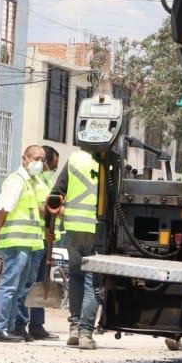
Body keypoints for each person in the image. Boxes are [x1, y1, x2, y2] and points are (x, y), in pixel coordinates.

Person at [0, 145, 47, 343]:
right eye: (35, 158)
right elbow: (2, 208)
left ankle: (11, 327)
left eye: (42, 159)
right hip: (15, 241)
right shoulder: (16, 180)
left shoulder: (31, 181)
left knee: (20, 288)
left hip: (28, 243)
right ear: (24, 159)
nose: (39, 163)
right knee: (9, 287)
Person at [48, 146, 101, 350]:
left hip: (73, 228)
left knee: (77, 277)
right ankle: (86, 334)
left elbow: (55, 196)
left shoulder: (74, 159)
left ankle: (74, 328)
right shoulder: (109, 161)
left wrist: (54, 221)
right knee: (93, 281)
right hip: (98, 229)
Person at [22, 145, 61, 341]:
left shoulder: (44, 180)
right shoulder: (39, 181)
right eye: (52, 165)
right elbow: (43, 208)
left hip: (46, 238)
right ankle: (26, 324)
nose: (51, 169)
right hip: (39, 237)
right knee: (33, 282)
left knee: (40, 280)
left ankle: (37, 325)